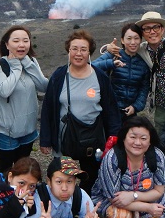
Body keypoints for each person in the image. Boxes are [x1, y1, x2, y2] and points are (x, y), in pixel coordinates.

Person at [40, 29, 122, 194]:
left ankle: (85, 205)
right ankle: (63, 204)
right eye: (74, 49)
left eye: (83, 49)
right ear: (68, 51)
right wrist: (45, 139)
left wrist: (114, 136)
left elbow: (111, 108)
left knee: (90, 175)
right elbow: (48, 108)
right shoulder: (59, 76)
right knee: (62, 175)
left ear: (89, 52)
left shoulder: (99, 77)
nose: (78, 53)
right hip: (64, 137)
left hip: (92, 137)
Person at [91, 116, 165, 218]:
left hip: (144, 198)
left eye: (143, 138)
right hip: (115, 201)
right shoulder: (112, 158)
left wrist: (133, 196)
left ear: (150, 140)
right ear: (123, 137)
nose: (137, 143)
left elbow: (159, 191)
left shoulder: (157, 156)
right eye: (132, 137)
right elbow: (114, 198)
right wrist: (147, 208)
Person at [104, 12, 165, 133]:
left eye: (156, 27)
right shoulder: (142, 49)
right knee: (162, 141)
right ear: (143, 33)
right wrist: (107, 48)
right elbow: (126, 47)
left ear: (162, 29)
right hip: (162, 107)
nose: (152, 31)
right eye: (147, 28)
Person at [0, 25, 48, 173]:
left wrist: (29, 65)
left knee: (22, 169)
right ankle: (3, 195)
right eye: (16, 41)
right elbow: (4, 90)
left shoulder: (32, 62)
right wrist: (16, 67)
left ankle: (19, 195)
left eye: (25, 40)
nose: (21, 45)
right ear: (7, 44)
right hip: (6, 131)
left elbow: (43, 86)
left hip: (28, 130)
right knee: (6, 169)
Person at [92, 23, 150, 122]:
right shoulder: (114, 55)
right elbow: (91, 66)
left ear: (141, 40)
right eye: (129, 38)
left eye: (136, 38)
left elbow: (144, 89)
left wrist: (135, 107)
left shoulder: (144, 63)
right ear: (122, 40)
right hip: (109, 110)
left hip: (129, 114)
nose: (133, 42)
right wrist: (111, 63)